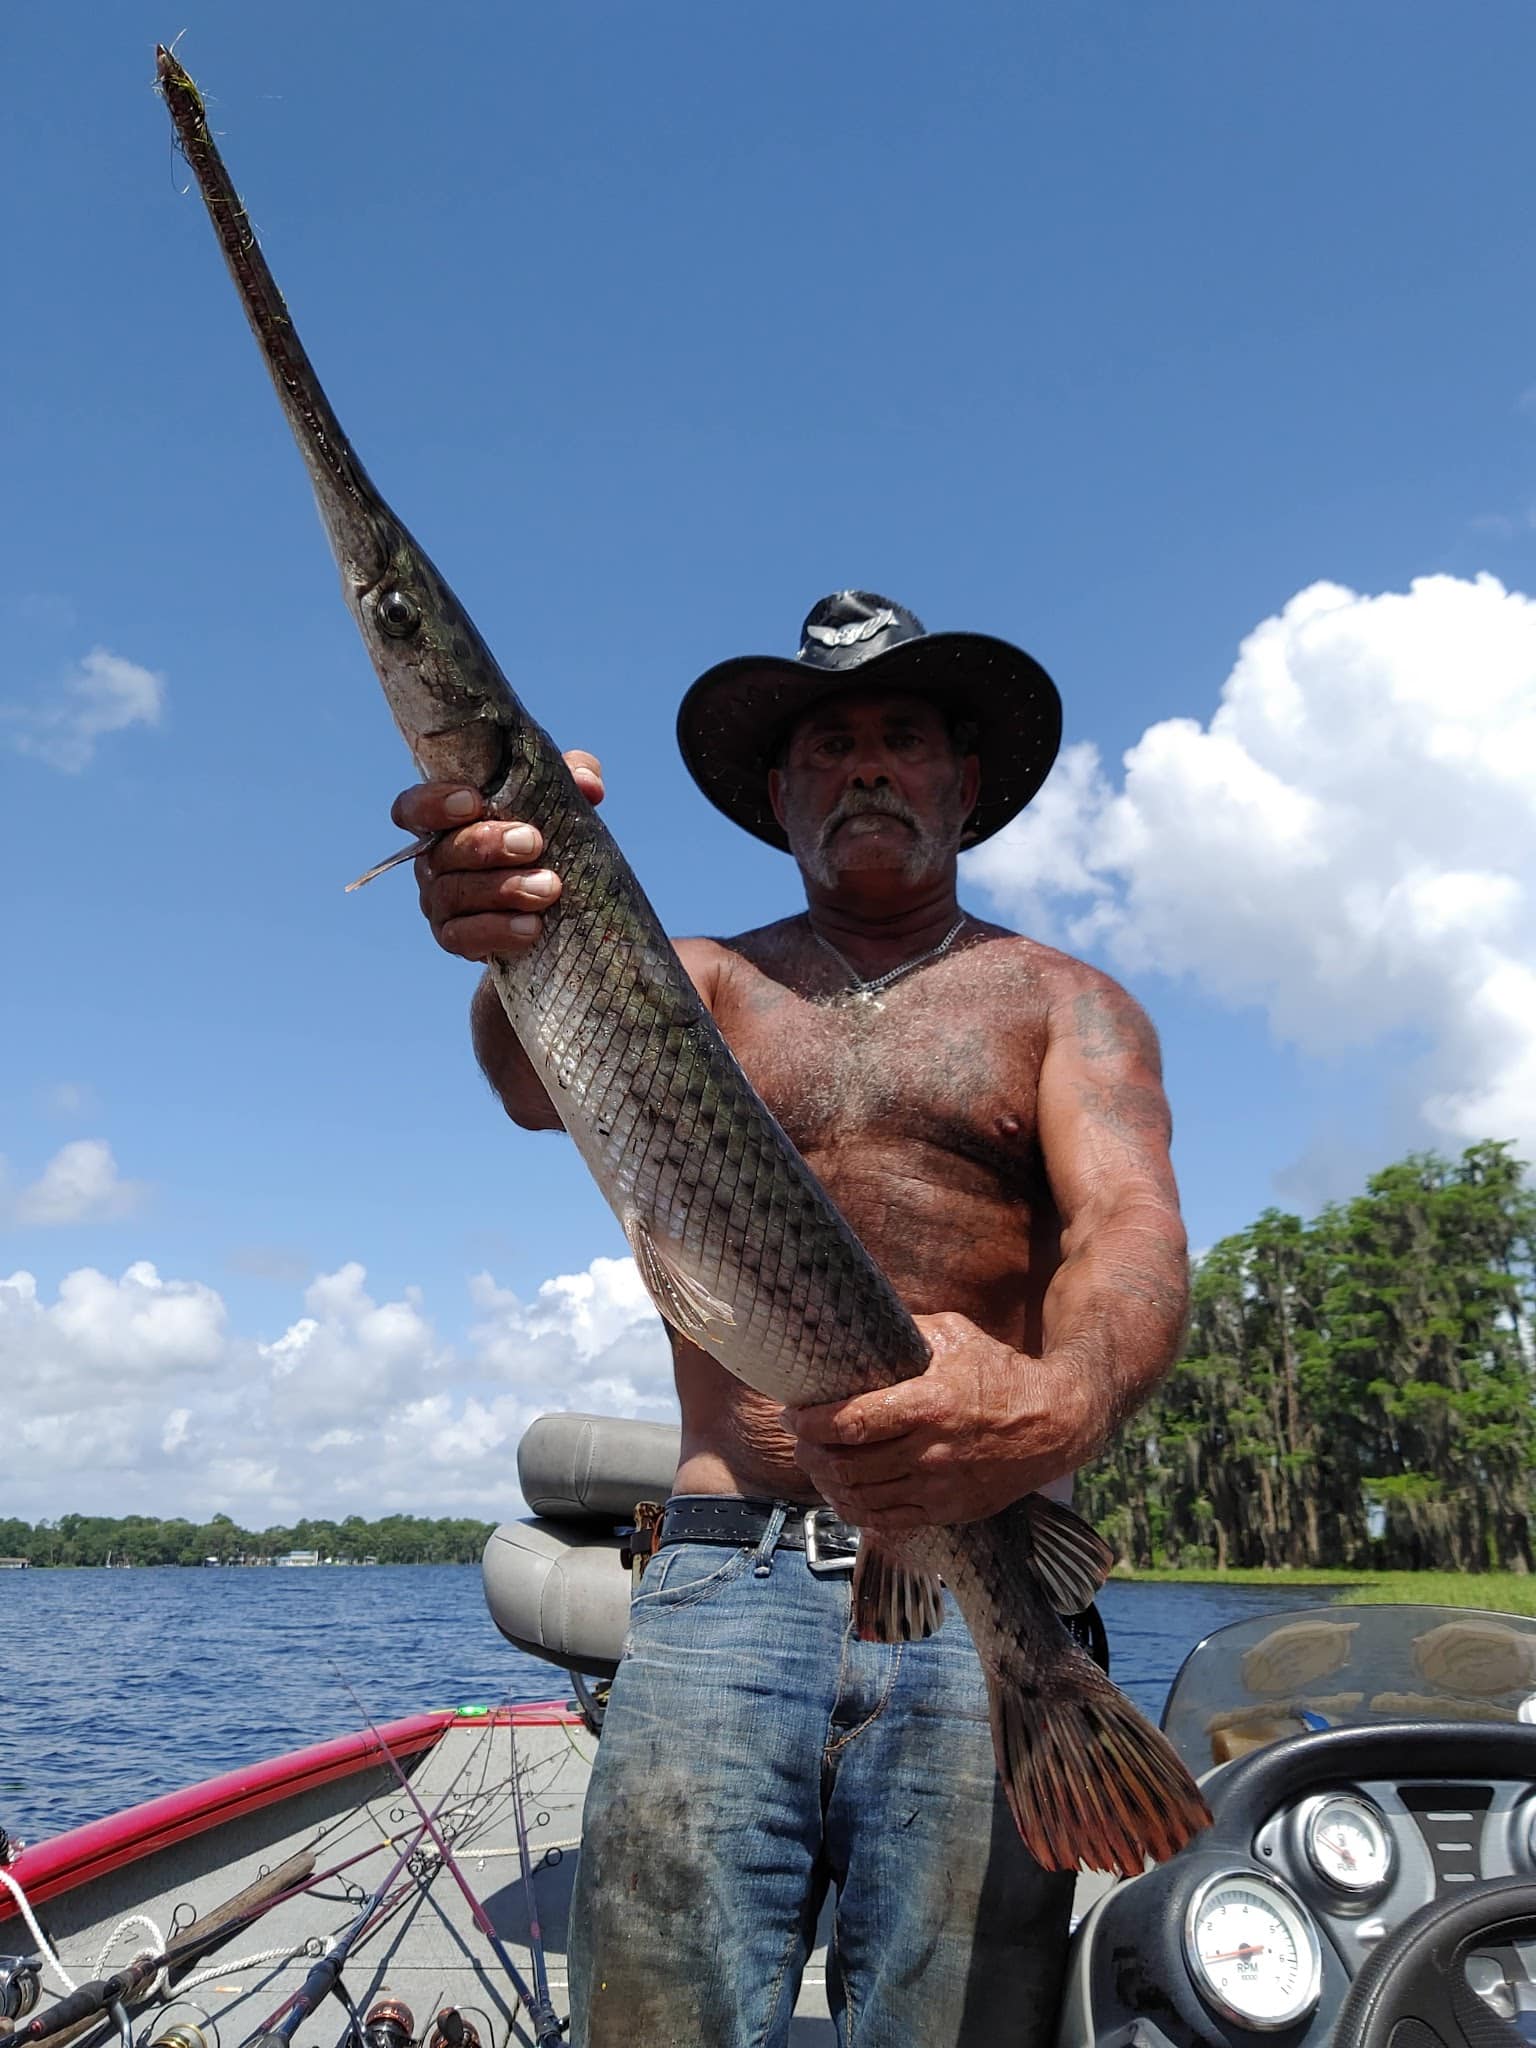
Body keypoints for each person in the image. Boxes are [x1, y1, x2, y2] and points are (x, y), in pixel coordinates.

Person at [394, 592, 1189, 2048]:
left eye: (902, 736)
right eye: (828, 744)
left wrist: (1064, 1400)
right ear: (779, 794)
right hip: (722, 1575)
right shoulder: (699, 981)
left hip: (985, 1599)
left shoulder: (1065, 1003)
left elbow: (1129, 1231)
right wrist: (511, 925)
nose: (865, 764)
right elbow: (528, 1073)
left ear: (965, 780)